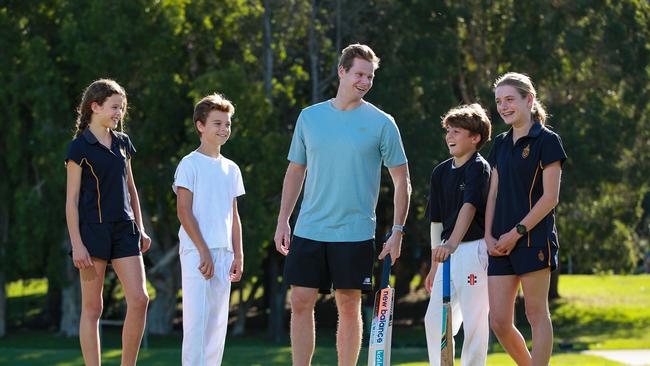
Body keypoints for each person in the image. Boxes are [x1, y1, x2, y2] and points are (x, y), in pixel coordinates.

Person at [274, 43, 411, 366]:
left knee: (348, 304)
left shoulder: (382, 123)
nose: (365, 81)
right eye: (359, 74)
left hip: (355, 231)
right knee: (300, 300)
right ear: (342, 71)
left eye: (370, 76)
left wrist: (398, 231)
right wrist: (283, 220)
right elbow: (296, 170)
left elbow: (402, 180)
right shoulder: (310, 117)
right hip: (310, 227)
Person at [65, 79, 151, 366]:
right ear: (95, 106)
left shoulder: (123, 142)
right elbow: (71, 201)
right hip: (92, 234)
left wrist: (140, 226)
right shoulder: (78, 148)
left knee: (140, 300)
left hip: (125, 230)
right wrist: (77, 244)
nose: (119, 113)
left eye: (122, 108)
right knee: (93, 308)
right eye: (115, 107)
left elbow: (131, 188)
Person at [486, 72, 567, 366]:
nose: (504, 106)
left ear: (528, 100)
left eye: (510, 99)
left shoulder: (548, 141)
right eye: (499, 101)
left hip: (534, 240)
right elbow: (492, 193)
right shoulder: (500, 144)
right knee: (499, 321)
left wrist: (516, 233)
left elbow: (550, 198)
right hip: (498, 244)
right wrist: (489, 235)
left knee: (536, 315)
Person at [173, 93, 245, 365]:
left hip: (224, 254)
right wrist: (203, 250)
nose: (223, 129)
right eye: (217, 123)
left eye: (227, 124)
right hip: (196, 253)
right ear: (200, 126)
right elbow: (184, 211)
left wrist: (238, 254)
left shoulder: (232, 169)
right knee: (197, 324)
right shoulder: (189, 164)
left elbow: (234, 214)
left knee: (217, 328)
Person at [424, 104, 492, 366]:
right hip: (447, 255)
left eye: (457, 131)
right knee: (434, 320)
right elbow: (436, 220)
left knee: (475, 323)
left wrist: (452, 244)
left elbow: (469, 206)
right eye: (448, 131)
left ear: (475, 138)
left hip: (473, 250)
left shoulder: (478, 167)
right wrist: (434, 265)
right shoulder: (440, 171)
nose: (450, 136)